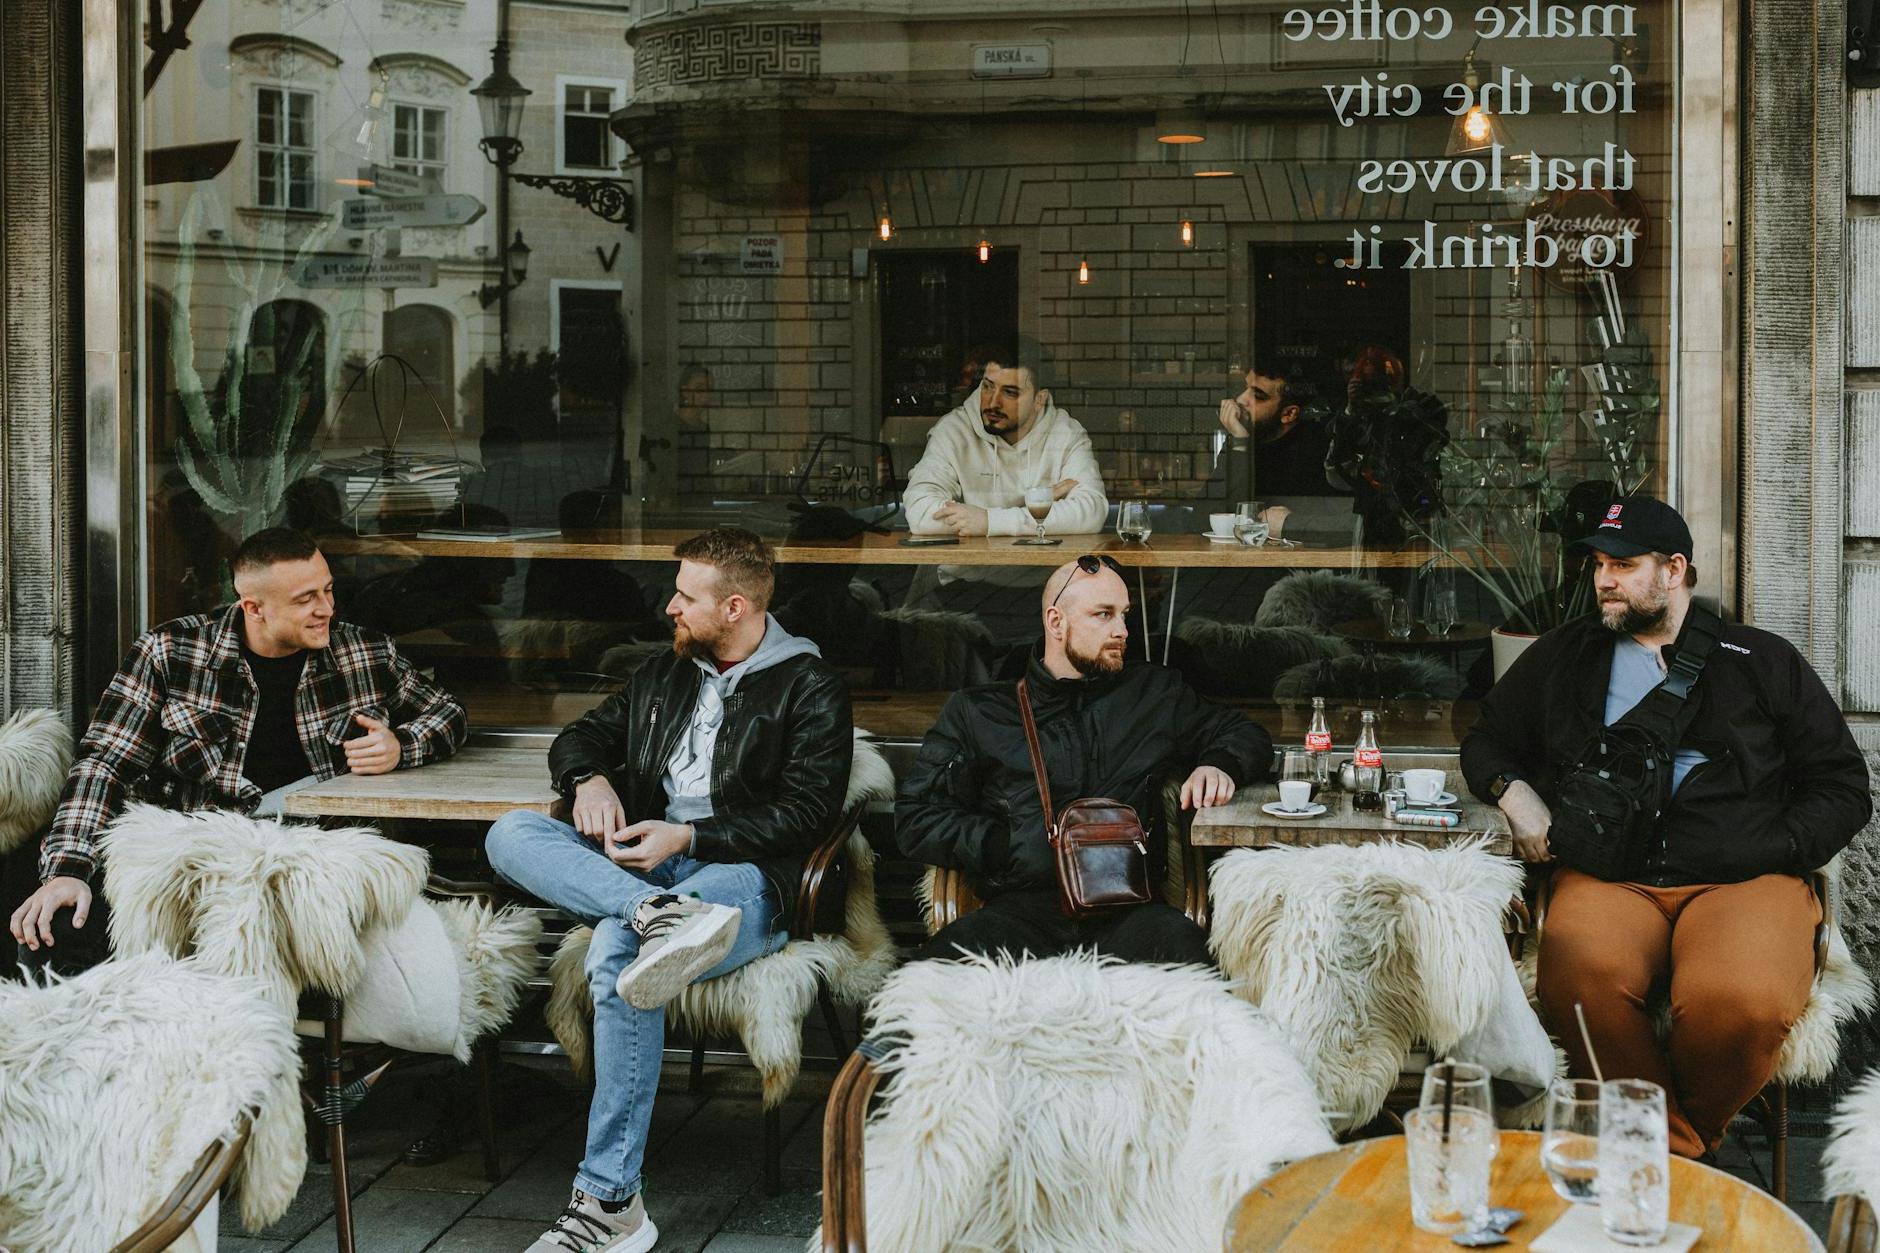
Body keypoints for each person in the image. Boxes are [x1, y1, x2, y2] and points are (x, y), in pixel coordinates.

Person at [1461, 496, 1871, 1159]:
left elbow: (1844, 786)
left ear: (1674, 569)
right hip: (1612, 874)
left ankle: (1654, 1150)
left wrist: (1776, 848)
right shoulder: (1569, 653)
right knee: (1580, 980)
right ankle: (1679, 1156)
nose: (1603, 579)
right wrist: (1515, 795)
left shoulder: (1759, 659)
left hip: (1744, 879)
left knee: (1742, 1000)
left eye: (1623, 565)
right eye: (1598, 564)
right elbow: (1486, 740)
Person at [484, 527, 852, 1253]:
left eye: (685, 596)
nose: (669, 608)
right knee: (509, 833)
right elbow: (580, 737)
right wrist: (586, 779)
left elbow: (807, 814)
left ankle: (610, 1202)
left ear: (736, 606)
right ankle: (655, 913)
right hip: (646, 876)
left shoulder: (811, 687)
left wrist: (687, 836)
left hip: (747, 876)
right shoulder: (665, 673)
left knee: (617, 964)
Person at [8, 526, 468, 972]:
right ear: (254, 607)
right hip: (189, 853)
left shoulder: (364, 654)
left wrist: (400, 746)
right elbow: (104, 765)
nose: (326, 608)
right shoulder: (171, 653)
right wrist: (68, 869)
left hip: (309, 859)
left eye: (328, 590)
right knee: (56, 929)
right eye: (306, 599)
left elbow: (449, 713)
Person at [898, 554, 1272, 966]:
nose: (1122, 631)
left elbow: (1245, 733)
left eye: (1125, 615)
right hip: (1018, 914)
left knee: (1195, 982)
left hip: (1132, 914)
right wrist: (1004, 844)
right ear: (1056, 622)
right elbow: (916, 818)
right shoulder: (980, 712)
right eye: (1104, 615)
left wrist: (1218, 763)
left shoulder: (1154, 694)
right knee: (924, 993)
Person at [904, 347, 1108, 538]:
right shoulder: (953, 431)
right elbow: (919, 513)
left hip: (1045, 571)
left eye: (1010, 392)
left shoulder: (1066, 434)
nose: (993, 403)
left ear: (1040, 399)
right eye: (987, 387)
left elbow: (1092, 512)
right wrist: (1038, 509)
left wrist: (988, 521)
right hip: (966, 572)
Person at [1205, 362, 1339, 509]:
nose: (1241, 399)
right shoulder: (1246, 436)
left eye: (1257, 395)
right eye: (1244, 388)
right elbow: (1205, 513)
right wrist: (1239, 443)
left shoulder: (1313, 453)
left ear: (1289, 414)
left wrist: (1241, 444)